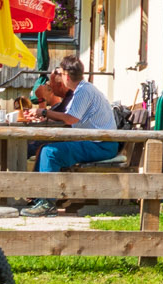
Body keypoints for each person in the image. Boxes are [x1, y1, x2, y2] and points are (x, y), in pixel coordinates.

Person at [21, 55, 120, 216]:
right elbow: (70, 118)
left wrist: (44, 112)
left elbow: (70, 118)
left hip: (101, 145)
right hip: (99, 142)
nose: (59, 79)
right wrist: (44, 114)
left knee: (50, 153)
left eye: (60, 74)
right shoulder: (83, 89)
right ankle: (39, 198)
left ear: (66, 75)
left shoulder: (83, 91)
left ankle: (46, 203)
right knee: (46, 148)